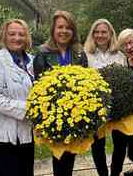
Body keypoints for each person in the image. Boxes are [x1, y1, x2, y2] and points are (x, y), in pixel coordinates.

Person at [33, 10, 87, 176]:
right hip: (53, 116)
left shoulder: (79, 52)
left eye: (68, 27)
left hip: (75, 113)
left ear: (73, 31)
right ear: (53, 30)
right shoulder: (42, 53)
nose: (64, 31)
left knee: (71, 155)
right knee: (58, 156)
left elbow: (86, 81)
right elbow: (37, 85)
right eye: (60, 27)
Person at [0, 19, 34, 176]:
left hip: (25, 133)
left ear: (27, 37)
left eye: (21, 34)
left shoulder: (31, 61)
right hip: (2, 135)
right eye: (12, 34)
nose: (17, 38)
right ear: (4, 36)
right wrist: (25, 108)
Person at [84, 19, 126, 176]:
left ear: (110, 34)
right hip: (96, 107)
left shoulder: (120, 56)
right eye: (97, 32)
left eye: (104, 32)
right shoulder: (85, 55)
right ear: (92, 34)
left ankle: (115, 172)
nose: (100, 35)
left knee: (121, 143)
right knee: (97, 145)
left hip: (119, 106)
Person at [110, 28, 133, 176]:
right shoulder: (122, 63)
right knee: (119, 147)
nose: (129, 47)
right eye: (125, 44)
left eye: (132, 42)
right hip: (123, 115)